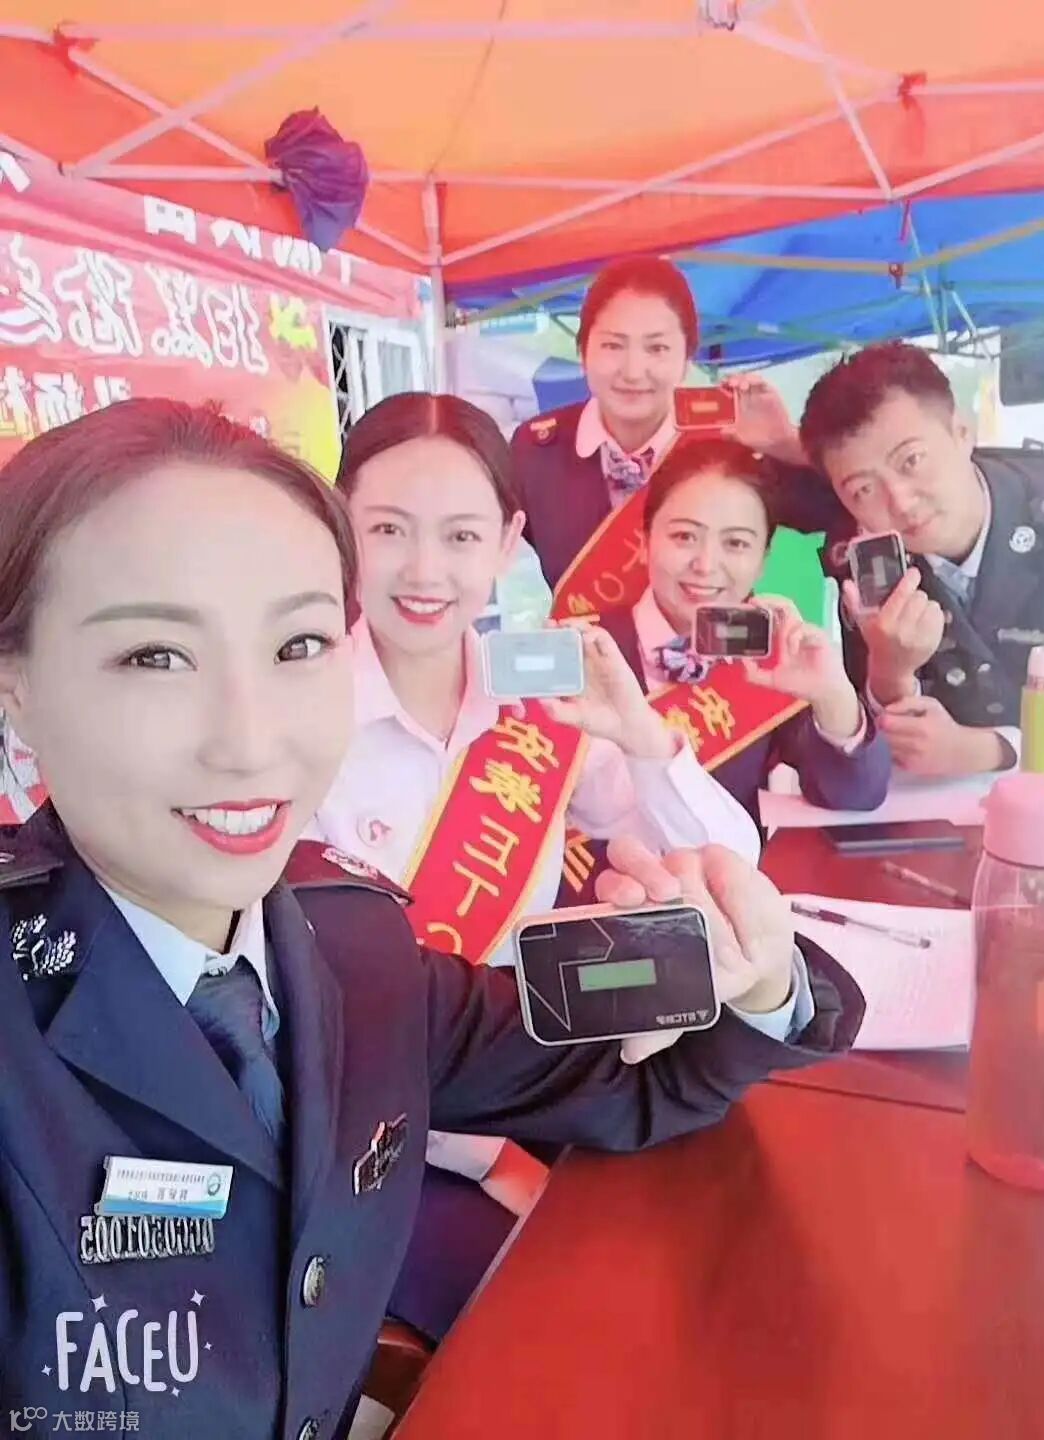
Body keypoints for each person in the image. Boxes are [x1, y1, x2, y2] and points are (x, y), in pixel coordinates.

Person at [0, 398, 861, 1440]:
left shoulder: (354, 948)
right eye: (154, 656)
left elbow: (643, 1074)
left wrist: (758, 973)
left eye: (297, 643)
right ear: (15, 686)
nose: (249, 740)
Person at [305, 392, 765, 1338]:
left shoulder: (534, 687)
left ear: (509, 540)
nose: (426, 571)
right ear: (340, 527)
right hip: (371, 1136)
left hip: (541, 1085)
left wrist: (640, 735)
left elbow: (726, 869)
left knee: (711, 1274)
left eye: (462, 536)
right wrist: (493, 1158)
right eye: (388, 529)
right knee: (563, 1332)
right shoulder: (297, 711)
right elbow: (305, 1007)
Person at [739, 342, 1044, 778]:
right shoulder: (865, 558)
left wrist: (998, 748)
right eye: (863, 489)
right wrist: (890, 670)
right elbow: (881, 737)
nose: (899, 501)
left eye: (912, 461)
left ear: (962, 432)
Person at [592, 437, 890, 836]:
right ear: (645, 542)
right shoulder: (589, 651)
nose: (705, 565)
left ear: (763, 560)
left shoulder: (773, 658)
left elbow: (856, 792)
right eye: (684, 537)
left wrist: (832, 693)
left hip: (730, 874)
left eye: (735, 543)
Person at [511, 256, 697, 599]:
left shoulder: (722, 448)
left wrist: (783, 443)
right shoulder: (535, 452)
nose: (633, 371)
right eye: (613, 345)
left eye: (657, 348)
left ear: (686, 359)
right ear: (583, 353)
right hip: (577, 635)